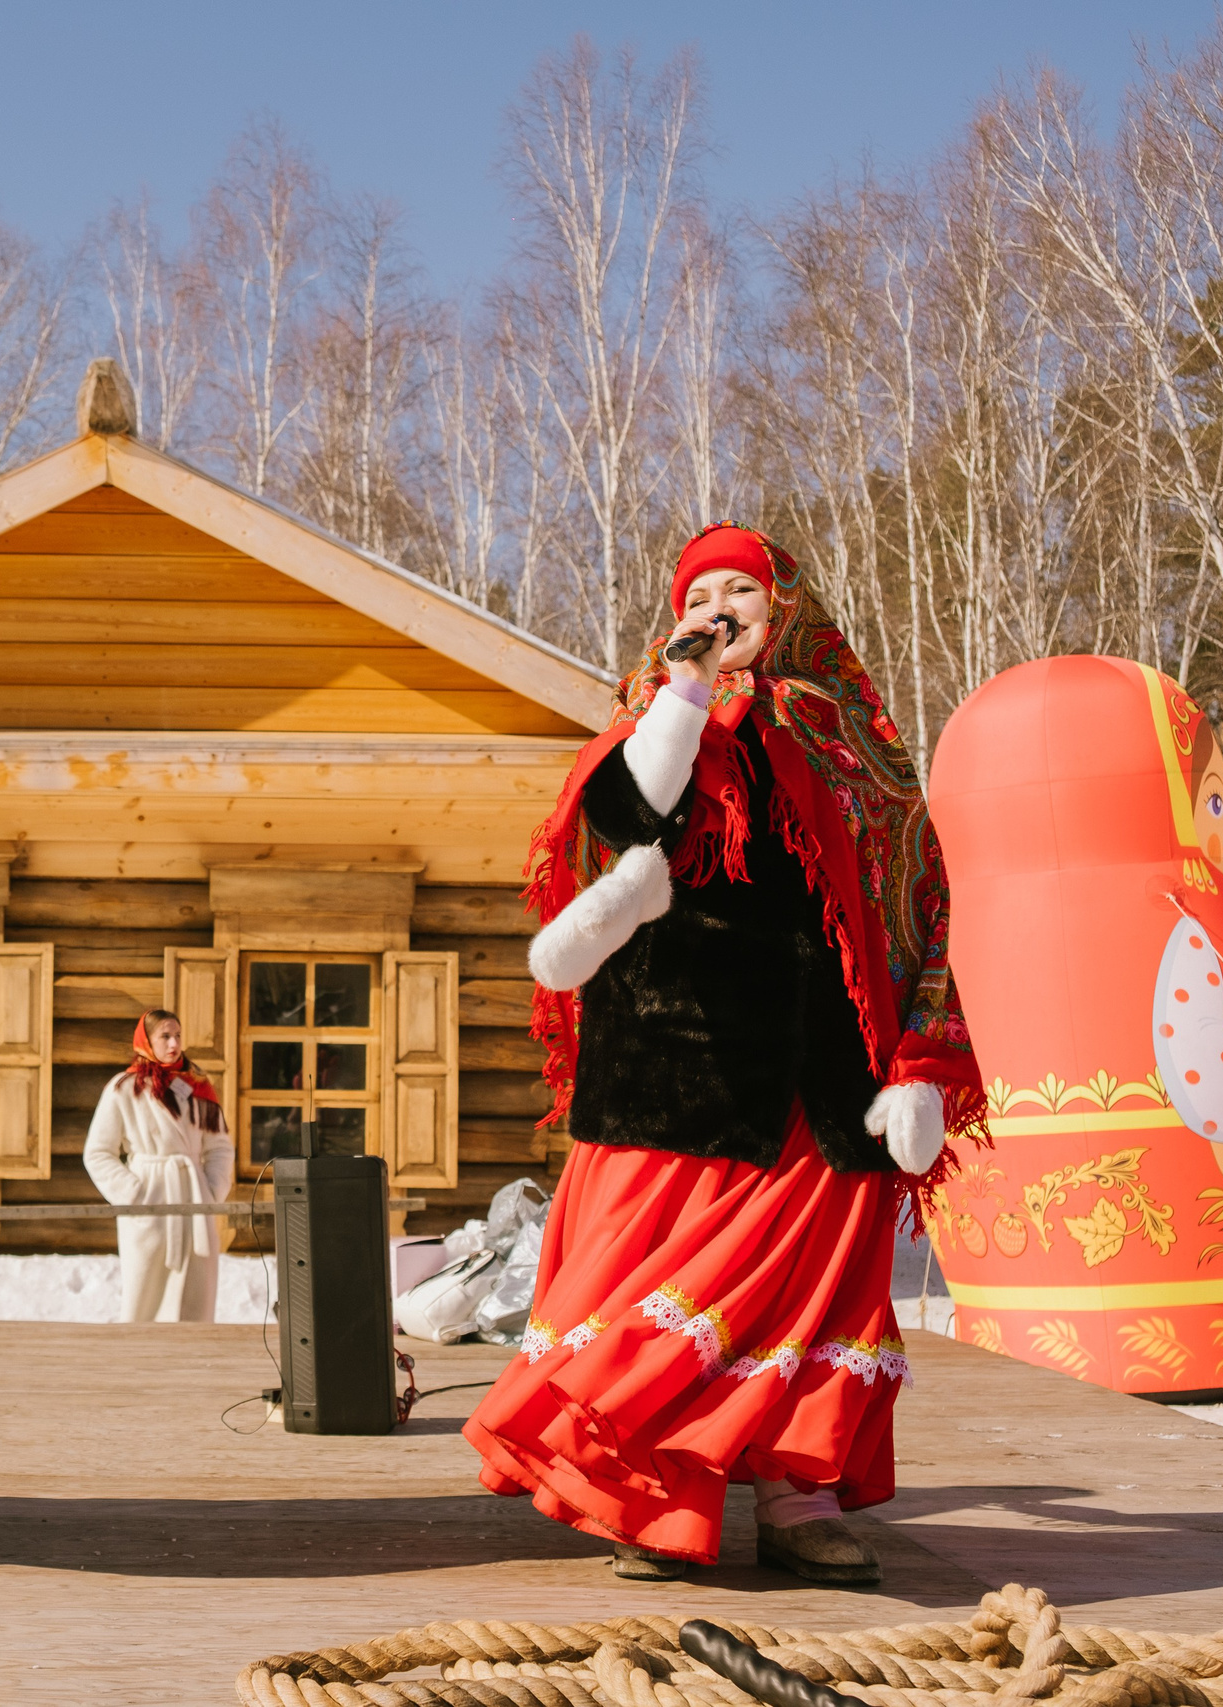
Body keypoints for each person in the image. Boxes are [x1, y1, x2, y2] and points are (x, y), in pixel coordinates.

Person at [466, 522, 983, 1587]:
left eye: (740, 590)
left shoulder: (851, 742)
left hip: (825, 1079)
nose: (720, 609)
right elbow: (625, 812)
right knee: (653, 1274)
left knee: (810, 1297)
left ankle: (798, 1501)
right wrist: (685, 691)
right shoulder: (652, 710)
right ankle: (651, 1502)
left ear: (784, 605)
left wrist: (924, 1063)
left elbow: (922, 901)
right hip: (678, 1061)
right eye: (700, 595)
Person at [84, 1010, 236, 1323]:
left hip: (193, 1199)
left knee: (195, 1295)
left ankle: (193, 1363)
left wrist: (211, 1192)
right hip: (150, 1201)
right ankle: (139, 1361)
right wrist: (135, 1195)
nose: (174, 1043)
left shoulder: (197, 1086)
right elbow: (98, 1152)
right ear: (147, 1040)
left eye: (177, 1035)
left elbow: (219, 1146)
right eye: (165, 1036)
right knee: (146, 1294)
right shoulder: (124, 1089)